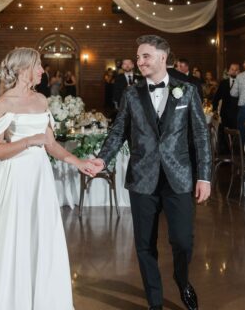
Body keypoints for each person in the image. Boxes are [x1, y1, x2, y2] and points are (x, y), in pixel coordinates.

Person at [0, 48, 96, 310]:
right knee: (16, 238)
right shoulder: (3, 104)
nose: (42, 70)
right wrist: (29, 141)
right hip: (16, 178)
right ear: (22, 70)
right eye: (38, 66)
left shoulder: (42, 100)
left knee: (42, 235)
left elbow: (51, 144)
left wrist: (79, 163)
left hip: (40, 177)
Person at [90, 35, 210, 310]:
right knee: (145, 245)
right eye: (138, 56)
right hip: (142, 177)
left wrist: (204, 176)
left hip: (179, 177)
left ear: (162, 58)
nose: (139, 61)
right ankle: (154, 301)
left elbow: (201, 136)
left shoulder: (187, 90)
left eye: (145, 56)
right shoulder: (131, 93)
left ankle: (182, 280)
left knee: (182, 240)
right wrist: (102, 159)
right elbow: (118, 130)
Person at [212, 63, 240, 148]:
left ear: (239, 71)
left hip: (237, 112)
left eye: (236, 70)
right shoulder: (223, 83)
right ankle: (225, 150)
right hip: (225, 112)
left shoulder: (242, 83)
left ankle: (236, 150)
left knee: (236, 132)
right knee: (224, 131)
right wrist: (214, 109)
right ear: (228, 71)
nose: (234, 71)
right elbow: (217, 96)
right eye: (232, 69)